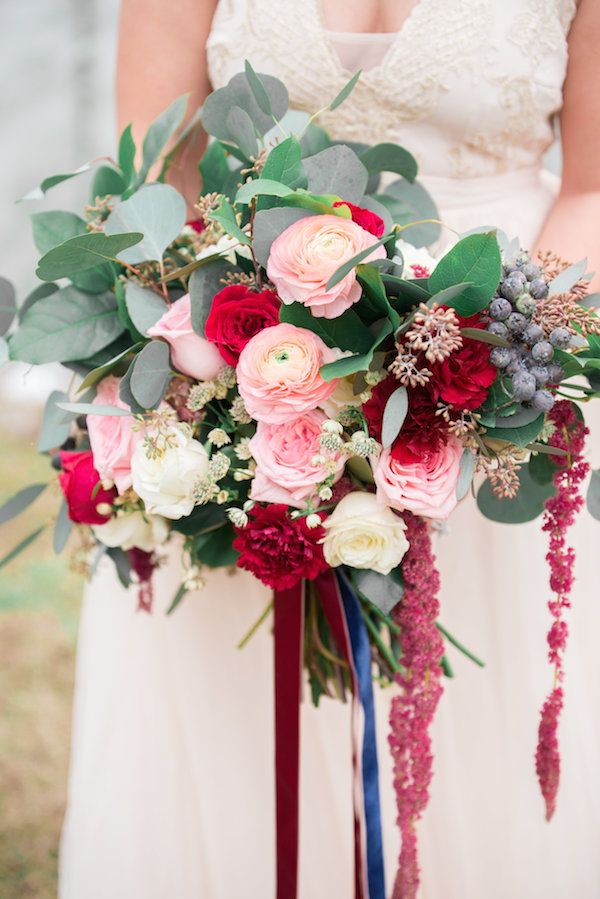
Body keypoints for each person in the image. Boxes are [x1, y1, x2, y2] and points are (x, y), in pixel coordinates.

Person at [59, 2, 600, 897]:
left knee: (481, 737)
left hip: (503, 376)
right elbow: (159, 171)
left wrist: (474, 384)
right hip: (243, 383)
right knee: (241, 739)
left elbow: (593, 188)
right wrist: (235, 390)